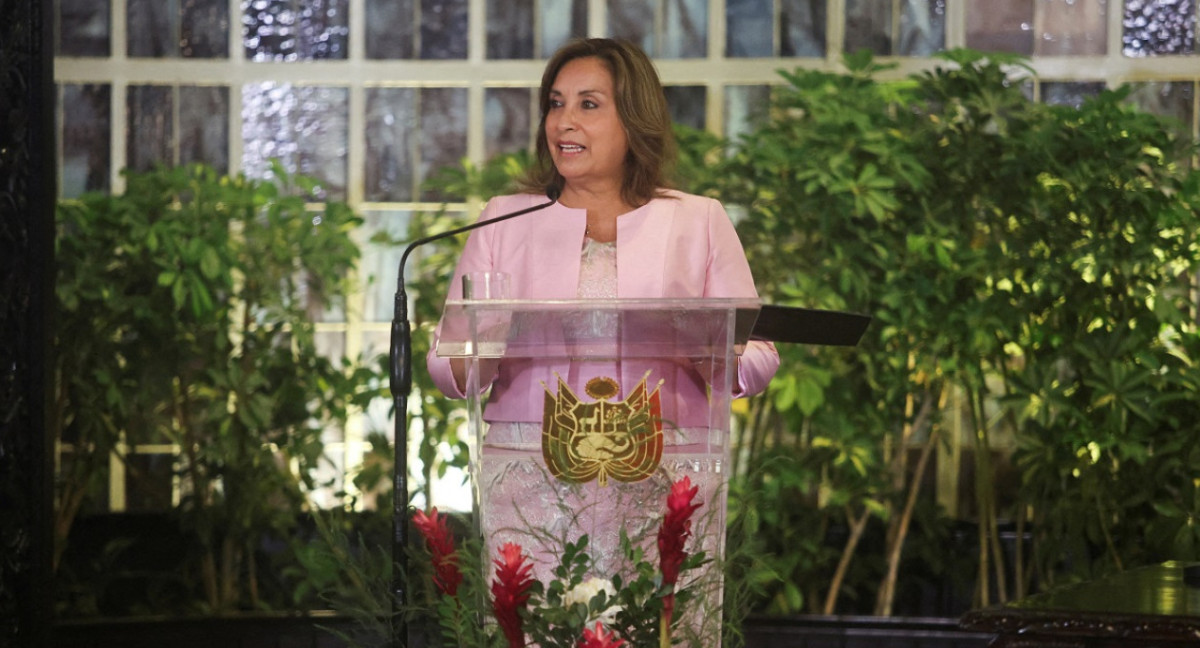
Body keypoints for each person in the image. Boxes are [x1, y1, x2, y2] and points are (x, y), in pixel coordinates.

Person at [425, 37, 779, 642]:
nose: (564, 121)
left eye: (589, 104)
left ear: (633, 119)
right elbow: (446, 360)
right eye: (555, 103)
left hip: (664, 475)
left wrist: (705, 347)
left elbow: (761, 355)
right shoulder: (504, 219)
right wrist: (483, 346)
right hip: (532, 481)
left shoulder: (699, 219)